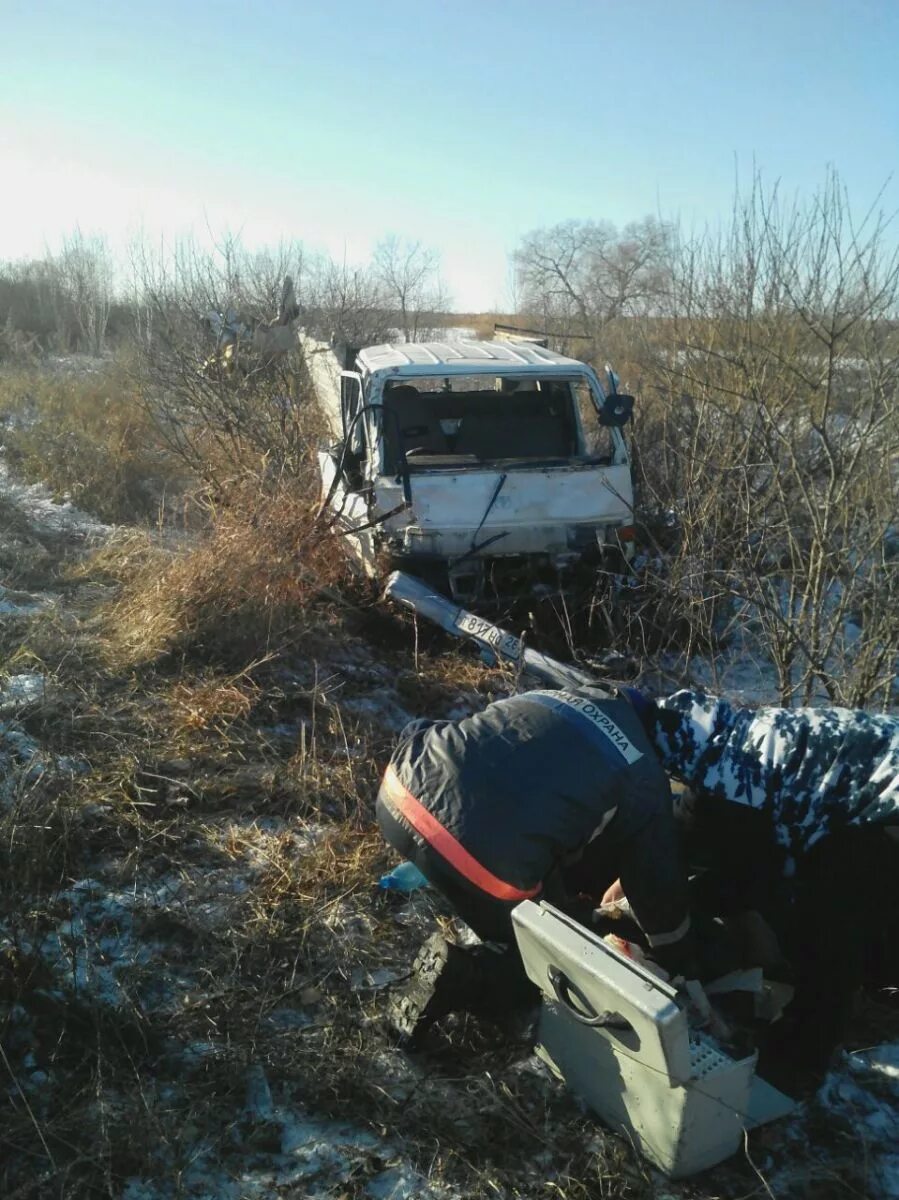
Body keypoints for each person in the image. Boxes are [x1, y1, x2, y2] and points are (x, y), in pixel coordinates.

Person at [376, 687, 695, 1040]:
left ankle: (453, 879)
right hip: (482, 861)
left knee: (509, 845)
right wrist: (675, 954)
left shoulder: (551, 694)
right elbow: (655, 883)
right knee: (553, 966)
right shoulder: (644, 769)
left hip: (398, 792)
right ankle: (467, 976)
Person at [622, 687, 899, 1073]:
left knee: (837, 922)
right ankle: (875, 986)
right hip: (873, 785)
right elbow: (692, 823)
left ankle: (797, 1060)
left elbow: (749, 878)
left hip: (885, 807)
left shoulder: (728, 774)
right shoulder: (707, 735)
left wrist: (676, 901)